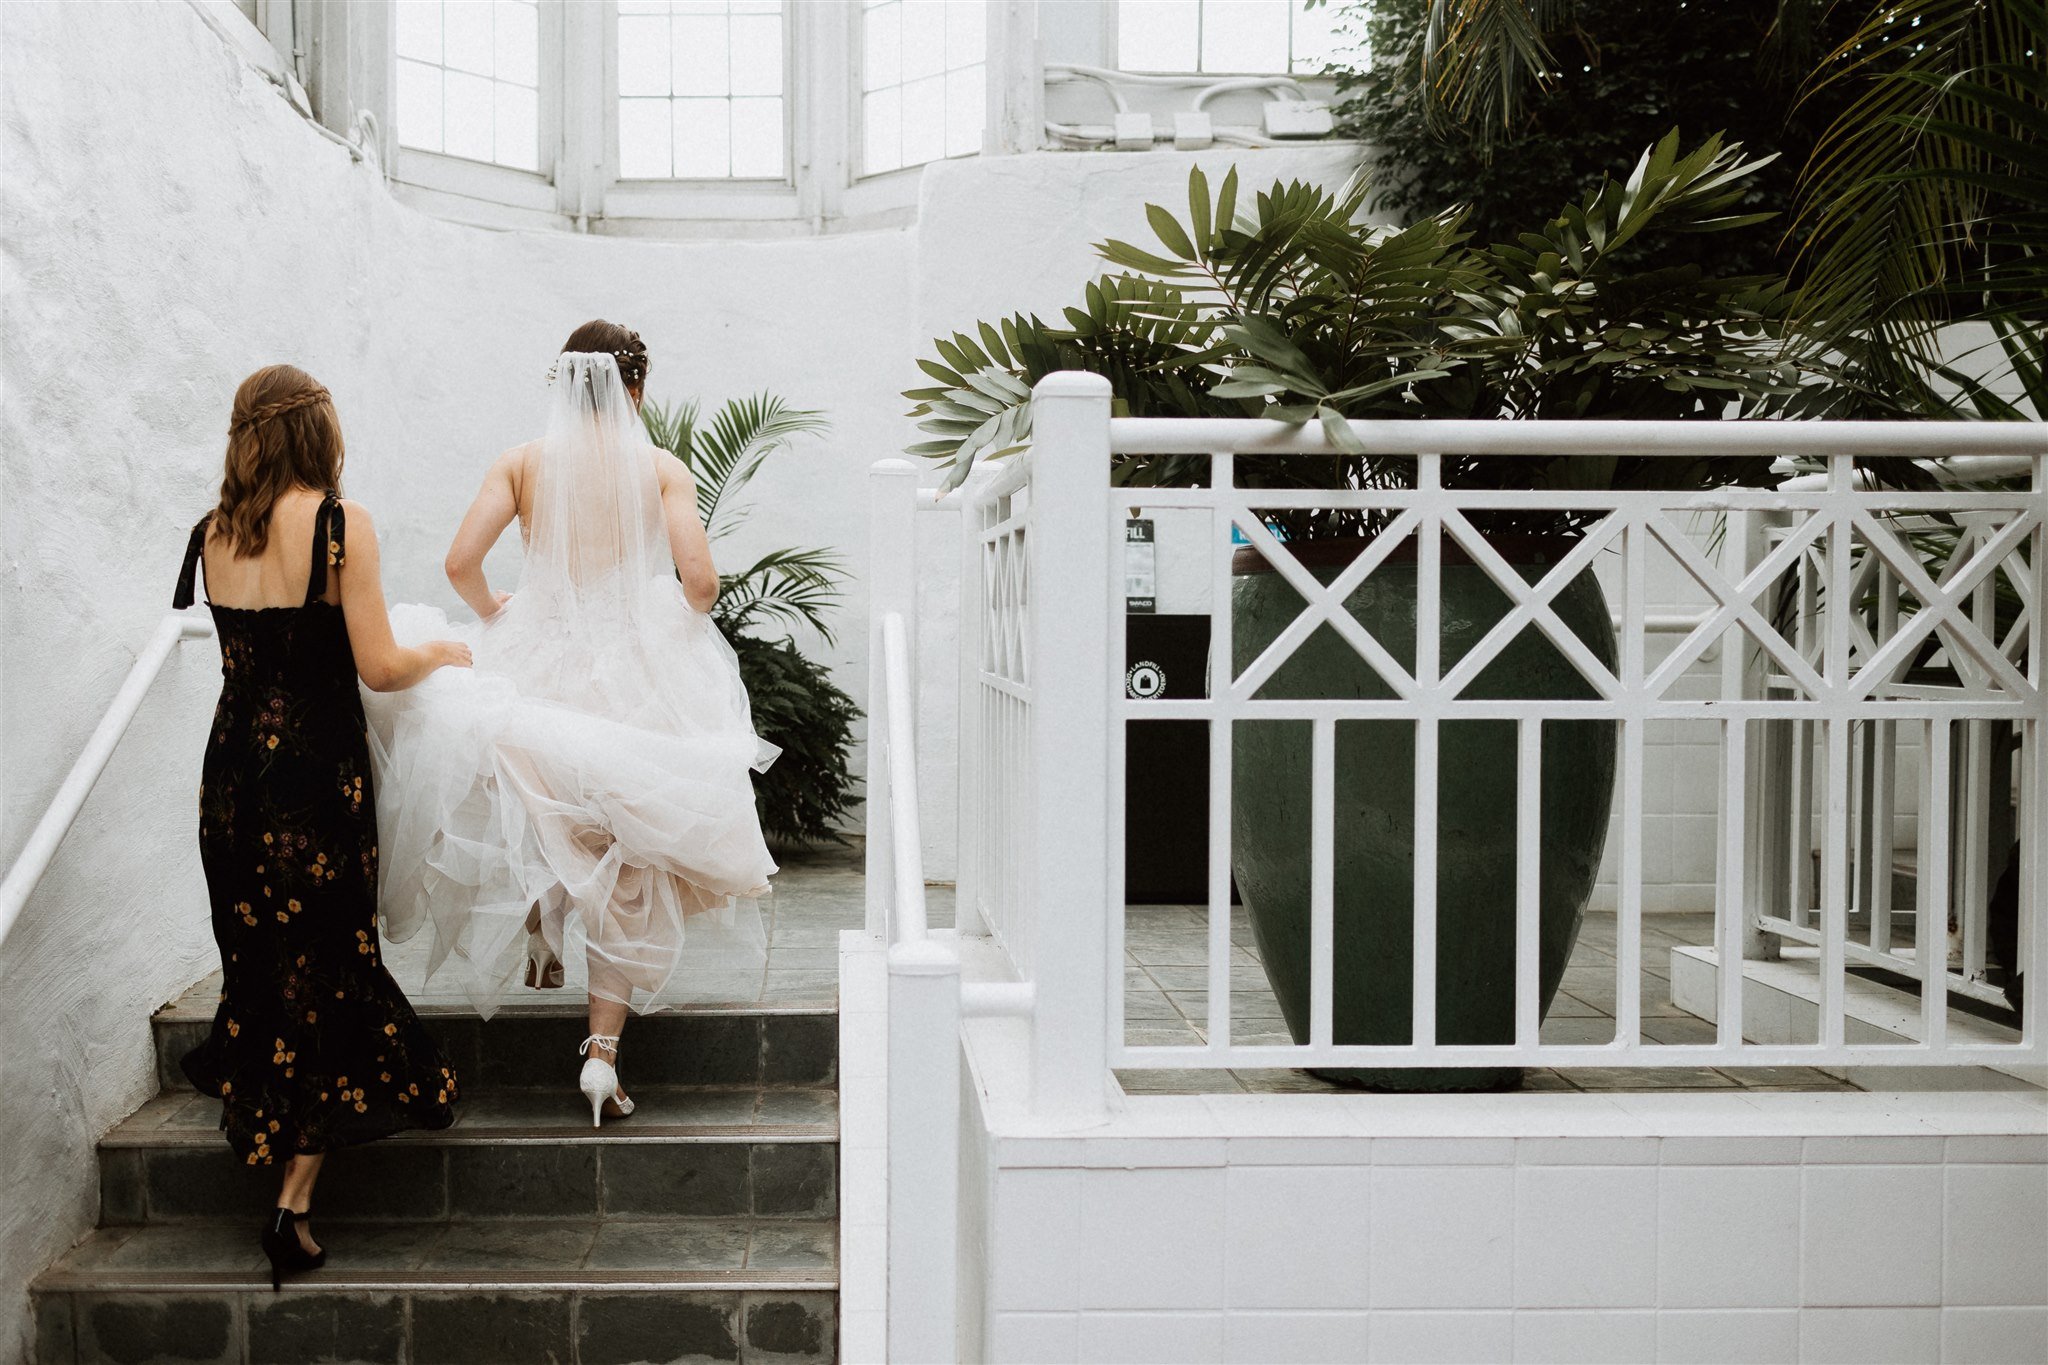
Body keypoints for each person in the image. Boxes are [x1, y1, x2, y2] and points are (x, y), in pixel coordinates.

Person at [365, 321, 777, 1127]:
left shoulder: (520, 462)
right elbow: (701, 583)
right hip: (633, 669)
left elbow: (460, 563)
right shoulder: (661, 469)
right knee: (626, 852)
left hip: (535, 654)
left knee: (535, 800)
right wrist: (657, 608)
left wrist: (494, 611)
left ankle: (541, 925)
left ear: (563, 383)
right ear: (636, 390)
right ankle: (601, 1055)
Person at [173, 365, 470, 1289]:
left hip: (231, 780)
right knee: (329, 963)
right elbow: (379, 667)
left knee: (259, 958)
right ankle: (293, 1200)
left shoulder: (211, 532)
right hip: (311, 780)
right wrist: (444, 650)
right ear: (315, 433)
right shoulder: (341, 526)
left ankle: (269, 1127)